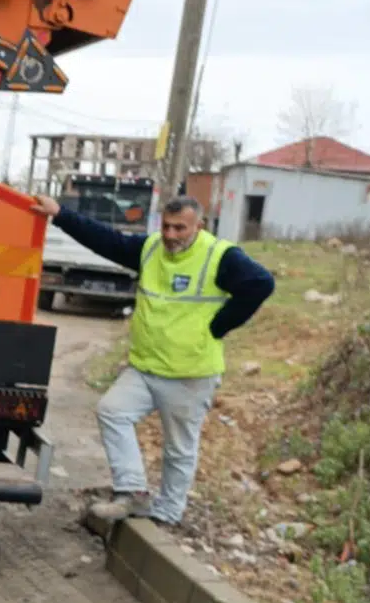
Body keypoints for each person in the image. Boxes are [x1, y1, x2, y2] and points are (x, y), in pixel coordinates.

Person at [32, 191, 275, 526]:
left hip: (190, 372)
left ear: (198, 226)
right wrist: (59, 214)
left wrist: (220, 325)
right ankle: (132, 491)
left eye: (180, 229)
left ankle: (167, 514)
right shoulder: (149, 249)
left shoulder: (220, 256)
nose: (171, 236)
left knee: (178, 449)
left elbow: (262, 283)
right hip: (145, 368)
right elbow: (106, 241)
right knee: (112, 412)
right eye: (167, 227)